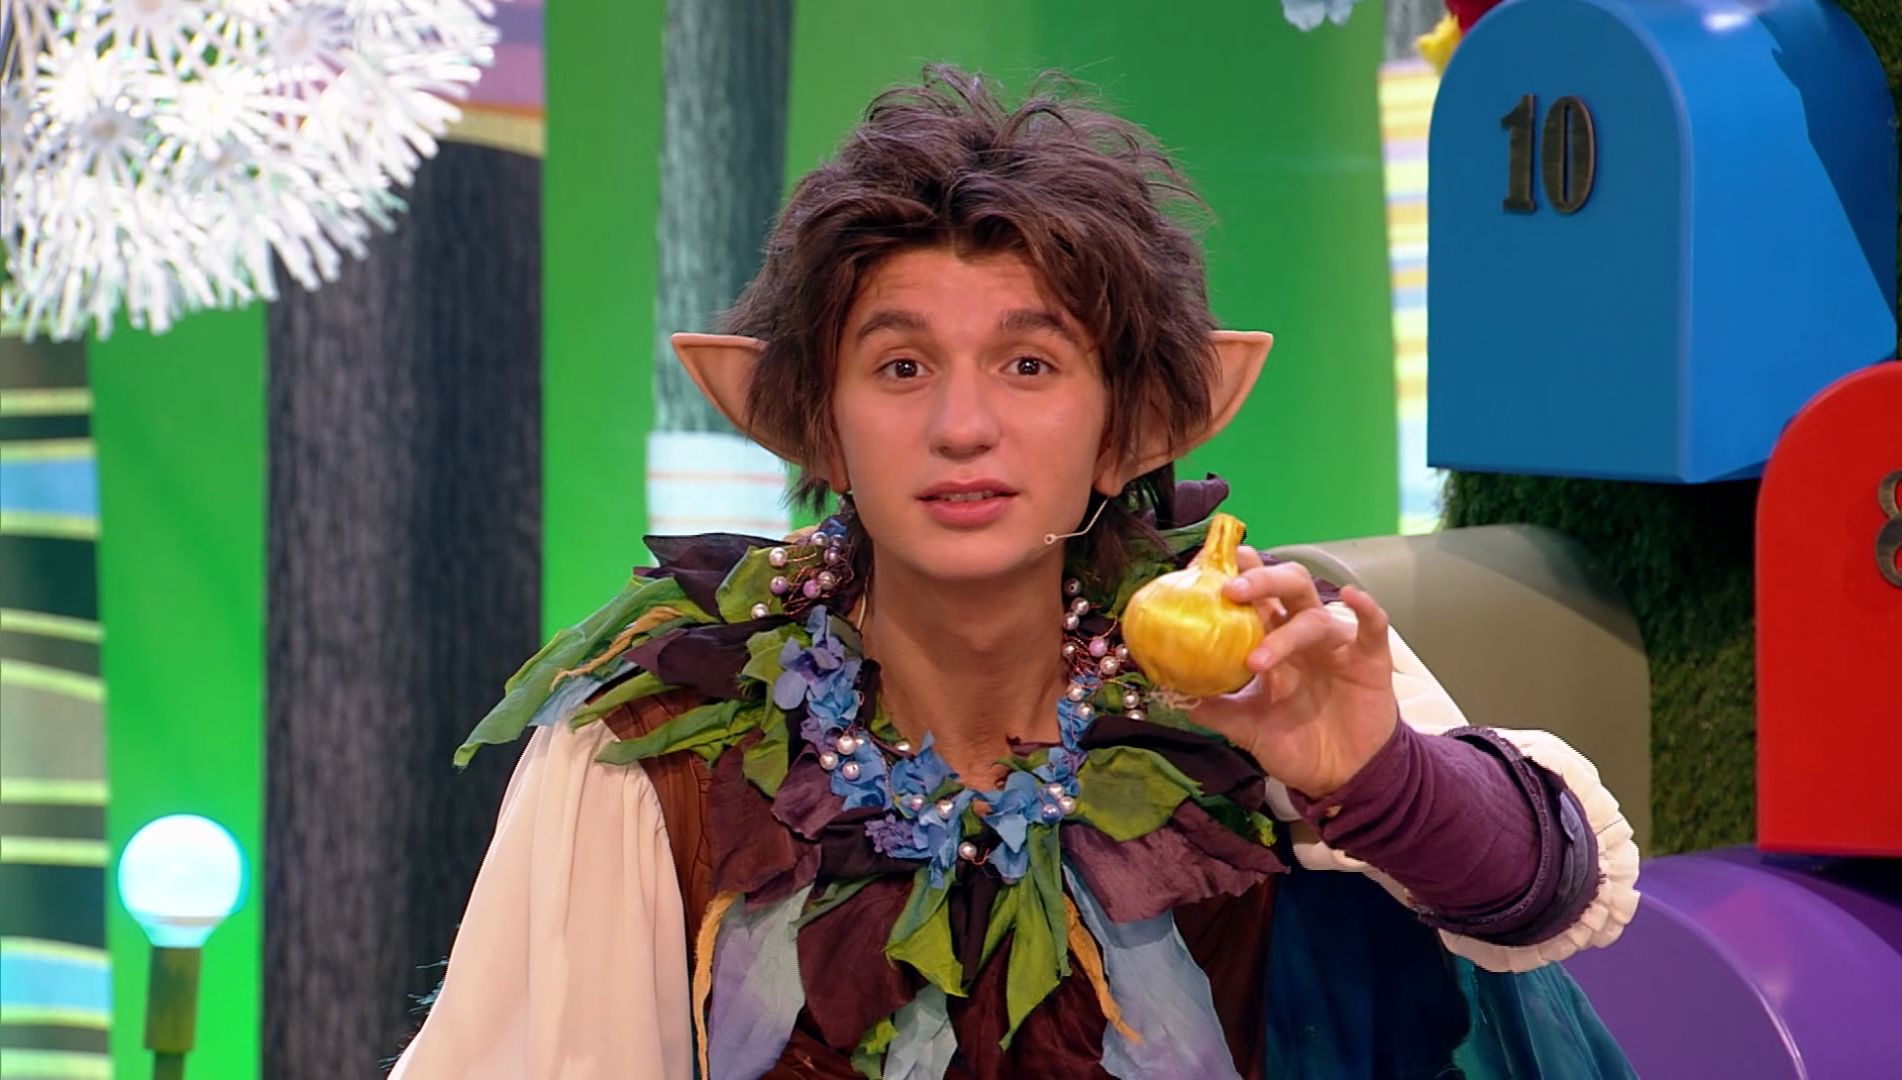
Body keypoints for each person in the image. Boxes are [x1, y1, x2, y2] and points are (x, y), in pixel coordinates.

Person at [391, 67, 1639, 1079]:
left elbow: (1545, 901)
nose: (963, 428)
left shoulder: (1256, 653)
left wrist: (1375, 779)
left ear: (1122, 430)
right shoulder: (657, 729)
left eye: (1030, 365)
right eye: (901, 367)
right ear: (824, 425)